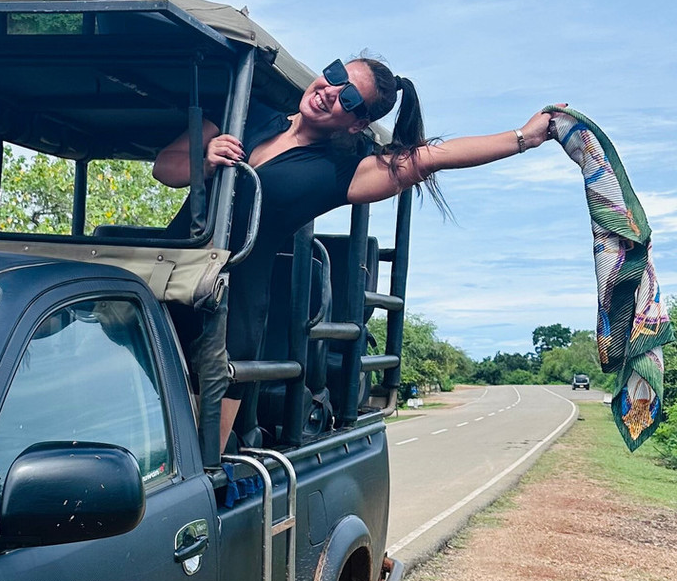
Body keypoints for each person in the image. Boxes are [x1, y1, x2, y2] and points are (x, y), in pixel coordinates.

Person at [153, 56, 559, 449]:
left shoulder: (342, 170)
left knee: (198, 460)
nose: (330, 92)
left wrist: (524, 138)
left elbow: (432, 157)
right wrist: (205, 162)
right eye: (334, 76)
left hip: (232, 310)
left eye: (349, 99)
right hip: (168, 279)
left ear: (357, 122)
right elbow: (165, 169)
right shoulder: (244, 110)